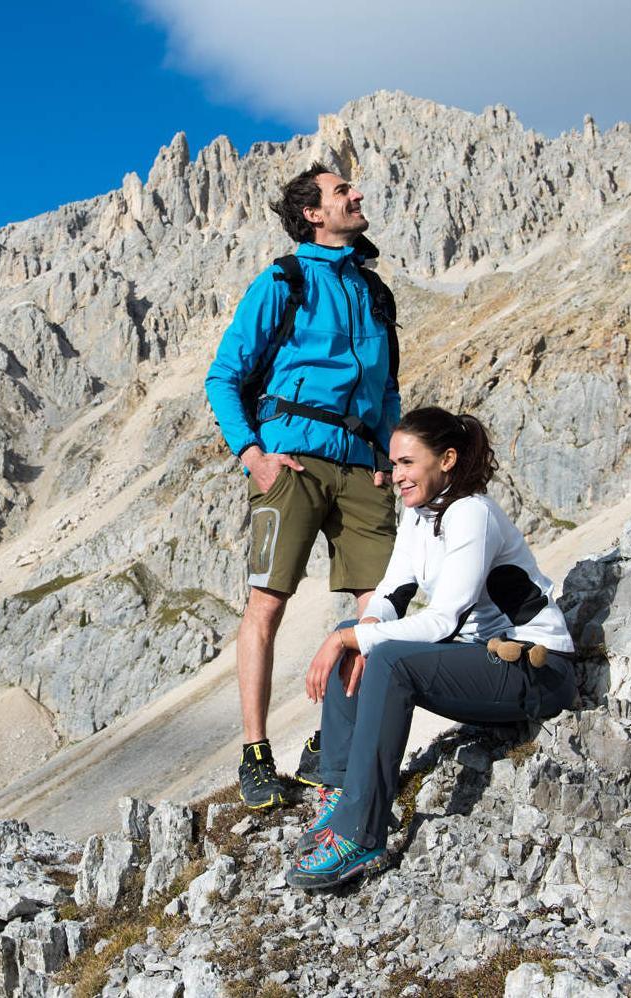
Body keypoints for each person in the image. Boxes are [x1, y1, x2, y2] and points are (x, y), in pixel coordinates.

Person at [284, 406, 579, 888]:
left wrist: (350, 638)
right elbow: (391, 592)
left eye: (406, 464)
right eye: (394, 464)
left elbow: (445, 619)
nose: (394, 476)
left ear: (446, 459)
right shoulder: (419, 516)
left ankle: (361, 834)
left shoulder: (472, 514)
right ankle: (340, 793)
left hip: (537, 671)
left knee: (386, 657)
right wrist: (358, 632)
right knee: (359, 636)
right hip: (482, 664)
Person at [205, 162, 401, 809]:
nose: (357, 193)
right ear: (313, 213)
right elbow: (224, 376)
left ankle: (331, 746)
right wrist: (253, 454)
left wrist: (390, 456)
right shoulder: (283, 281)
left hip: (363, 471)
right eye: (343, 190)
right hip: (290, 465)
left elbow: (388, 390)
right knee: (267, 603)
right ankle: (256, 754)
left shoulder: (376, 293)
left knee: (378, 616)